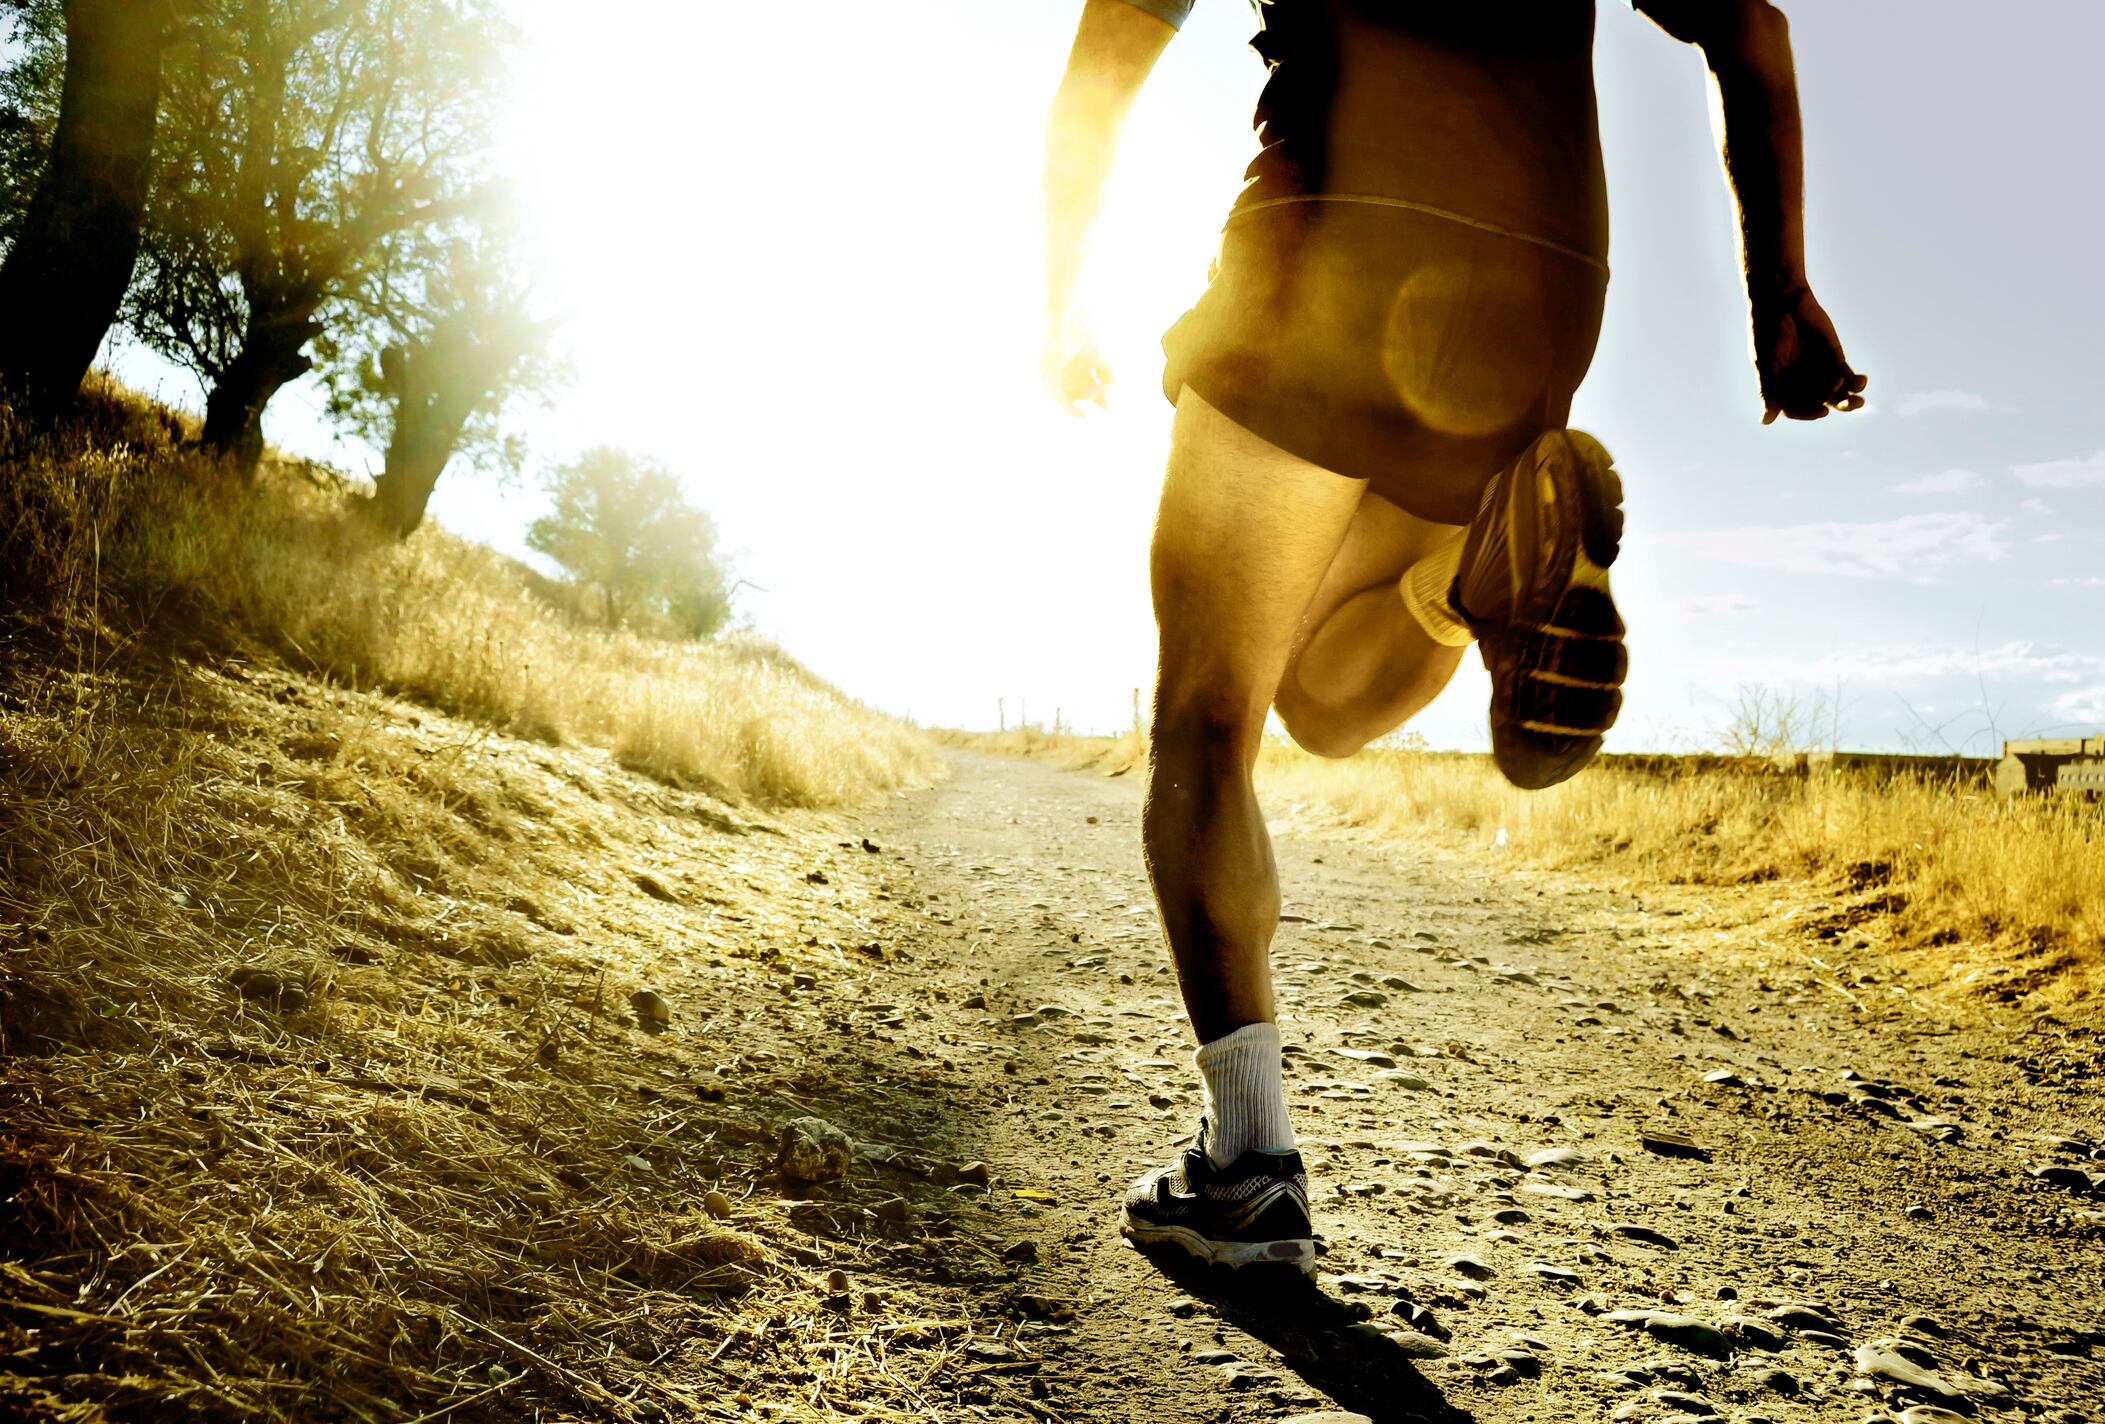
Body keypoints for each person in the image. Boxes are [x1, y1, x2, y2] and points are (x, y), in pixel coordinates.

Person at [1039, 0, 1868, 1272]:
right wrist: (1779, 286)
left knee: (1207, 723)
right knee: (1321, 699)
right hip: (1538, 288)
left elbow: (1113, 40)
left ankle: (1248, 1167)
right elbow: (1747, 26)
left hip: (1330, 250)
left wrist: (1058, 290)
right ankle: (1454, 577)